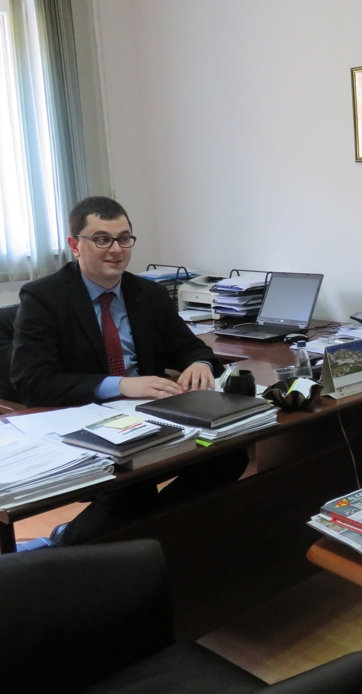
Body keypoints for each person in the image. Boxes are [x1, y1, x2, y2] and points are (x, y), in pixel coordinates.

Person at [10, 196, 247, 546]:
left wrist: (199, 363)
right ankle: (60, 547)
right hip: (84, 420)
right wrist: (120, 385)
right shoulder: (44, 298)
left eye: (124, 238)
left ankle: (162, 536)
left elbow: (191, 347)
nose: (116, 250)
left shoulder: (147, 293)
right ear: (75, 245)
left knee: (228, 457)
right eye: (102, 239)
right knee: (131, 491)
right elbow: (32, 382)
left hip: (150, 415)